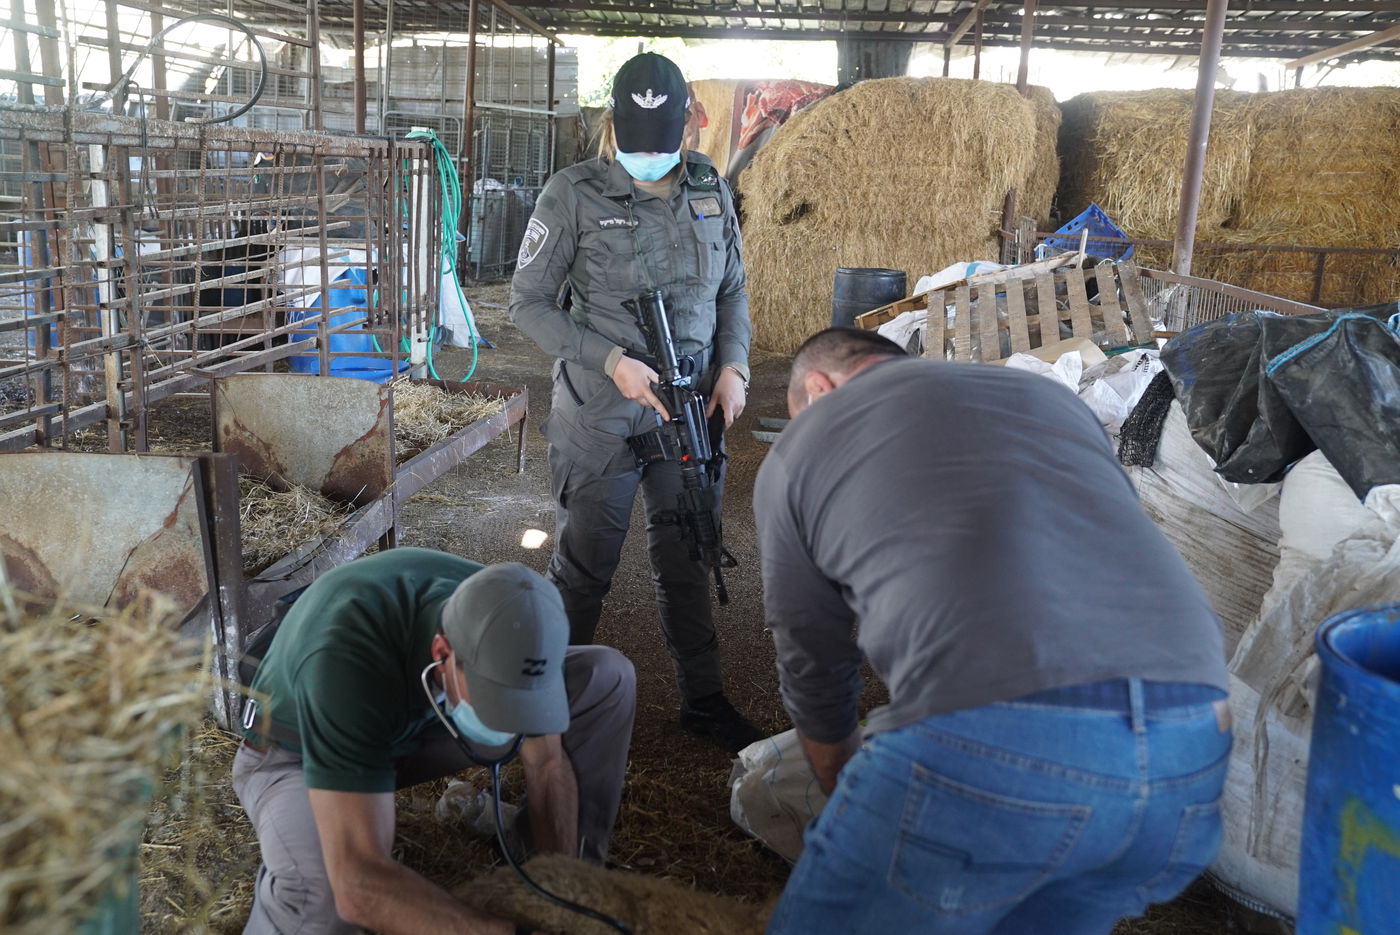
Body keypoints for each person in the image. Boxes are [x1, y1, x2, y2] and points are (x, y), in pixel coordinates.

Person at [753, 328, 1233, 935]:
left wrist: (847, 798)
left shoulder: (803, 444)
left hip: (999, 745)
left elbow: (811, 658)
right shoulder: (1049, 401)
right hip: (1192, 745)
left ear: (819, 388)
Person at [511, 52, 761, 752]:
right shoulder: (572, 193)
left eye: (662, 143)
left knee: (691, 553)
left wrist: (735, 367)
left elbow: (733, 289)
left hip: (691, 408)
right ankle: (544, 702)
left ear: (689, 126)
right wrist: (610, 359)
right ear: (612, 126)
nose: (647, 157)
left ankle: (704, 698)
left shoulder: (711, 189)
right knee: (585, 563)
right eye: (633, 143)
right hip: (601, 412)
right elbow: (527, 304)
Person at [232, 549, 635, 935]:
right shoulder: (344, 655)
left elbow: (547, 762)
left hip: (410, 724)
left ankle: (559, 871)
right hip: (295, 751)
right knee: (322, 896)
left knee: (606, 675)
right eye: (495, 700)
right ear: (443, 651)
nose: (513, 723)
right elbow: (359, 884)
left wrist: (561, 896)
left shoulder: (508, 614)